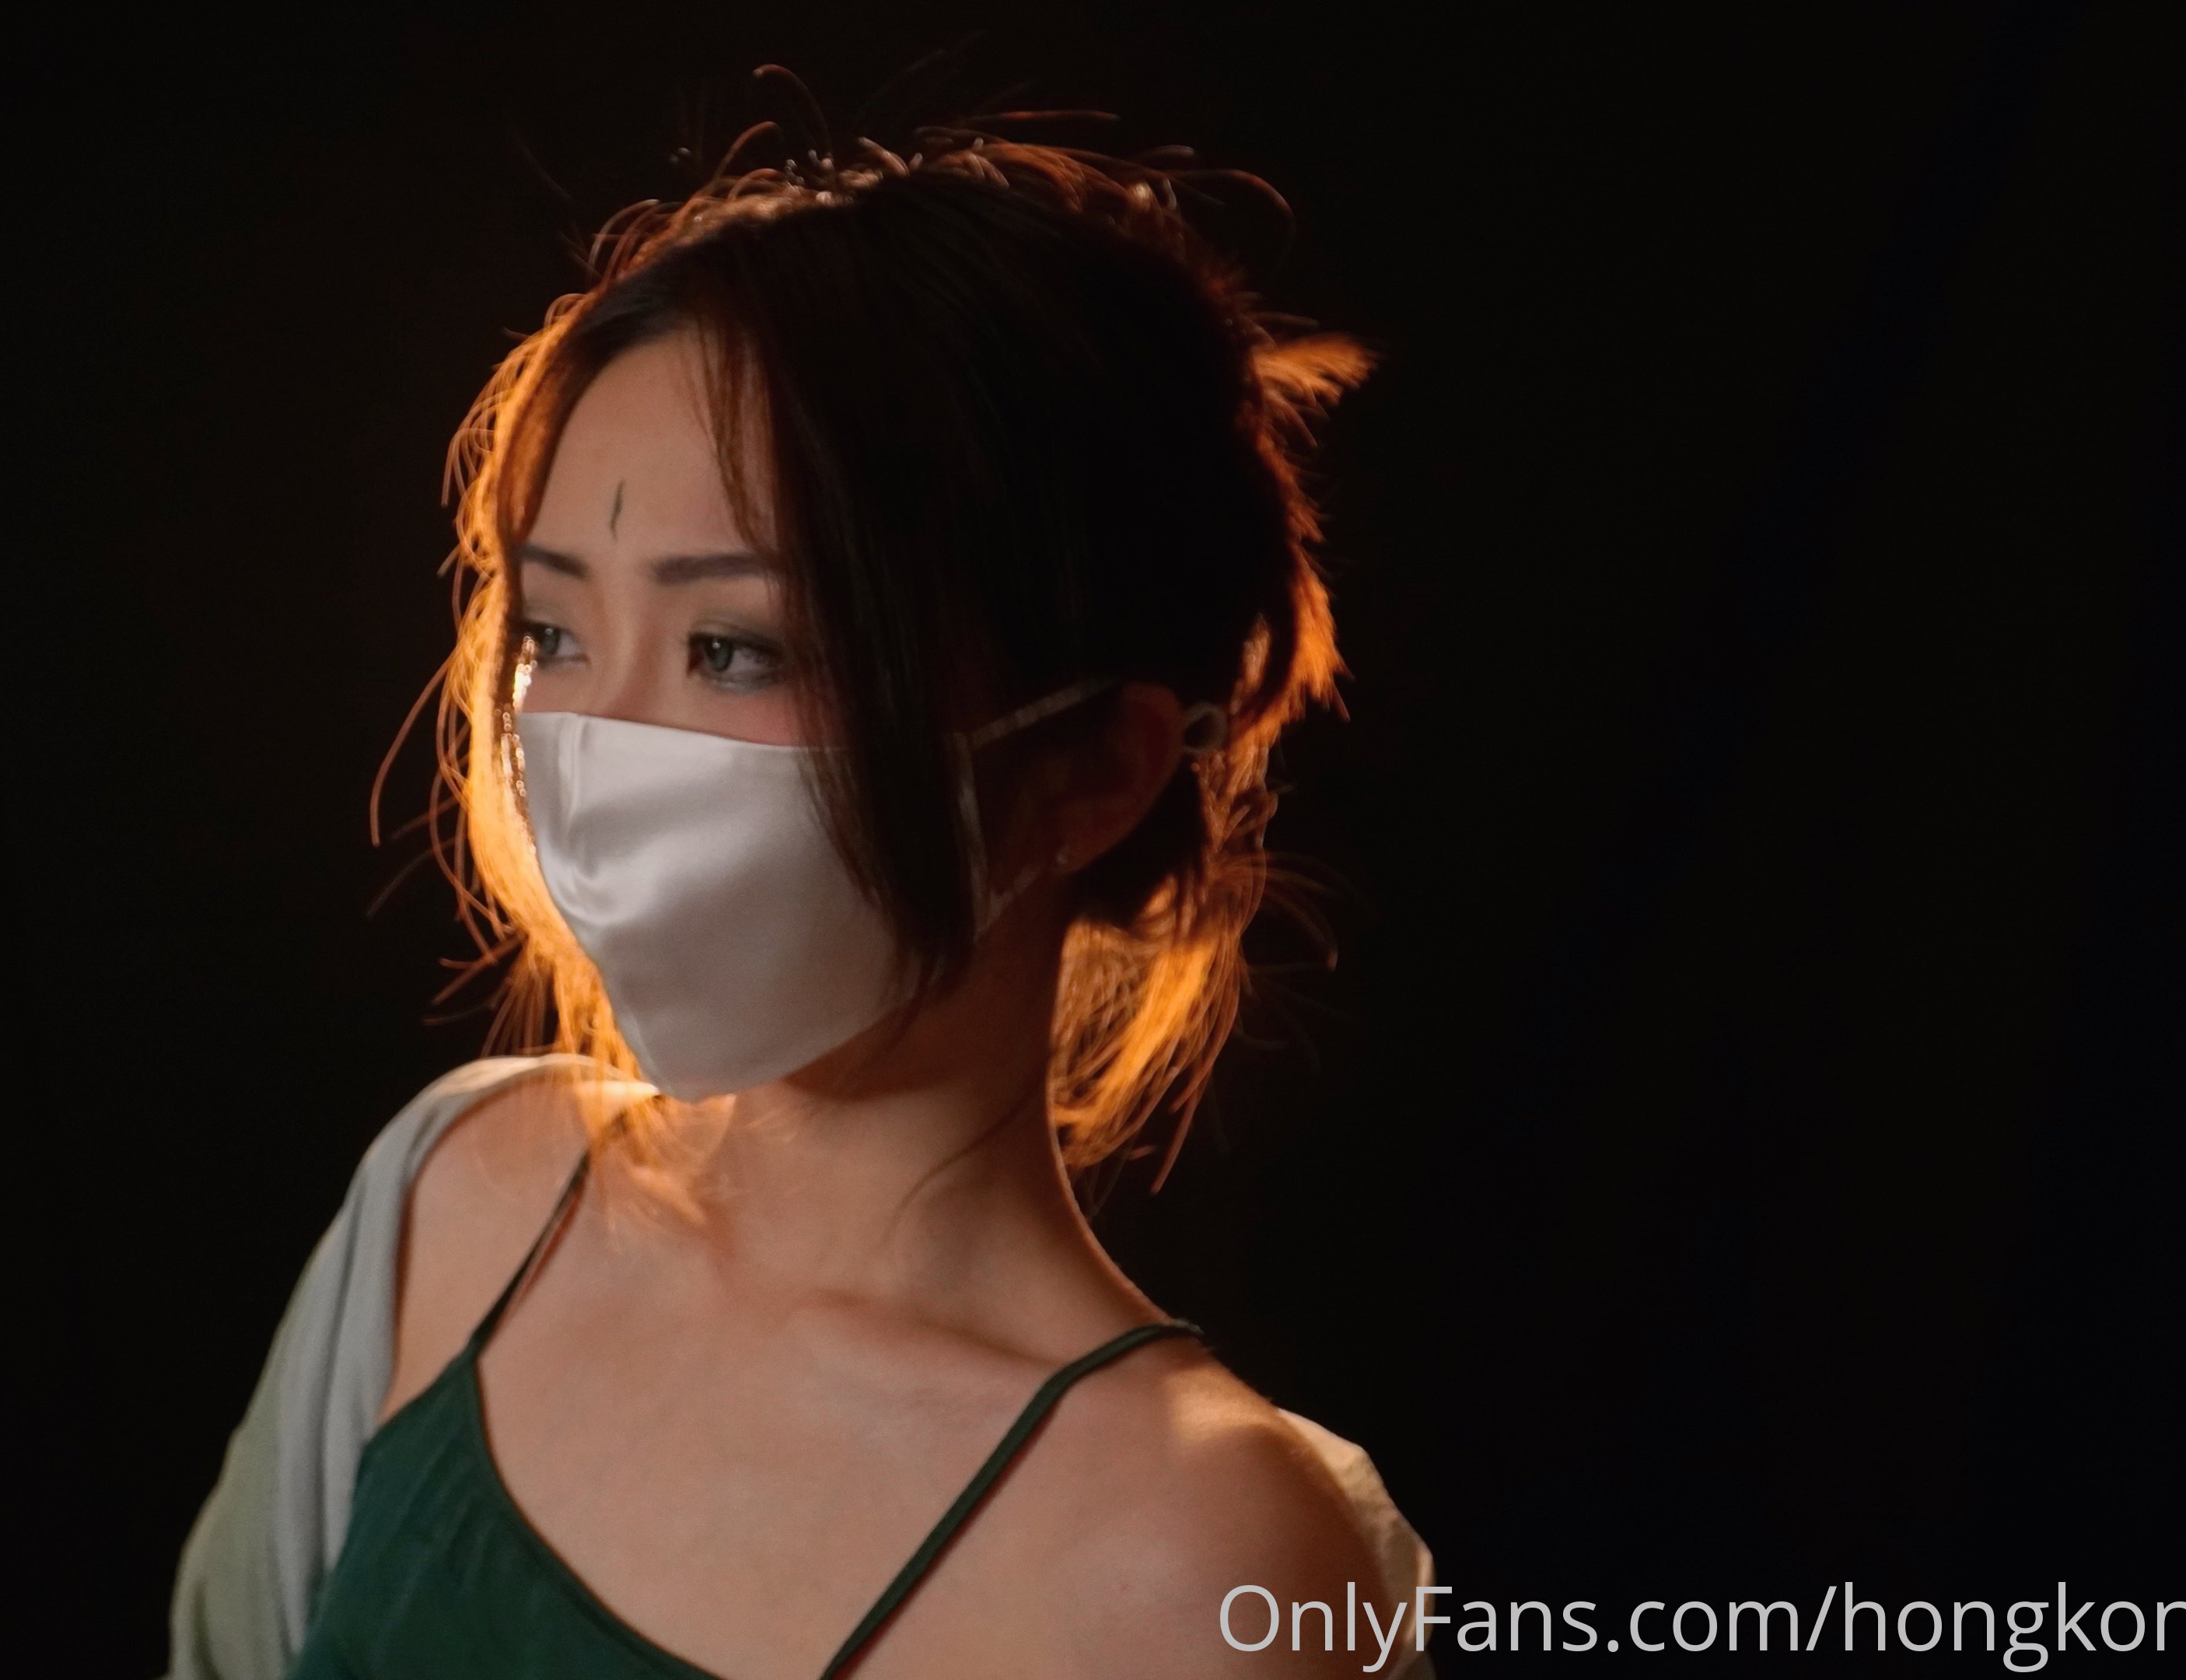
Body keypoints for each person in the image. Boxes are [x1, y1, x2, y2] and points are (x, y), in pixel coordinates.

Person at [164, 128, 1431, 1680]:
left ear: (1090, 769)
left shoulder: (1196, 1560)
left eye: (734, 650)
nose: (597, 743)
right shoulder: (463, 1197)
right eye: (554, 633)